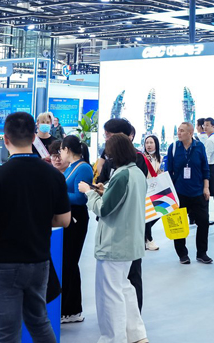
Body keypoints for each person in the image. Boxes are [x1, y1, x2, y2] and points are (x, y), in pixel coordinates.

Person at [0, 112, 71, 343]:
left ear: (5, 139)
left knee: (7, 333)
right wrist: (37, 217)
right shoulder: (53, 175)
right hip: (39, 261)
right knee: (39, 322)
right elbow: (63, 220)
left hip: (1, 264)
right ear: (34, 136)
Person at [79, 133, 148, 343]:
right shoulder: (136, 173)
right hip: (130, 242)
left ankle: (113, 338)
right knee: (124, 288)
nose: (107, 157)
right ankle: (136, 334)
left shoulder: (121, 175)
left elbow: (104, 209)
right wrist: (104, 191)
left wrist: (89, 193)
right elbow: (123, 200)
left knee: (110, 295)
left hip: (114, 243)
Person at [167, 121, 212, 264]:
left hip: (198, 191)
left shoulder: (199, 147)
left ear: (190, 133)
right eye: (178, 130)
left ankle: (202, 253)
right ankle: (182, 254)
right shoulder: (174, 147)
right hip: (179, 192)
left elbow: (205, 168)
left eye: (182, 131)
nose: (179, 133)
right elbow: (169, 171)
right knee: (179, 224)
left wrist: (206, 187)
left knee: (203, 222)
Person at [60, 135, 93, 324]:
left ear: (67, 149)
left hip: (77, 218)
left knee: (70, 262)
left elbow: (81, 198)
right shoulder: (71, 167)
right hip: (68, 216)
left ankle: (71, 310)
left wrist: (58, 194)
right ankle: (68, 308)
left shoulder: (84, 168)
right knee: (67, 262)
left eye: (61, 150)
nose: (60, 154)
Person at [142, 134, 162, 251]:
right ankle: (149, 239)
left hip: (158, 190)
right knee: (147, 215)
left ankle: (144, 236)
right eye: (147, 143)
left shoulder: (161, 159)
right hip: (145, 190)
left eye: (151, 142)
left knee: (158, 213)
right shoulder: (141, 158)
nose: (148, 145)